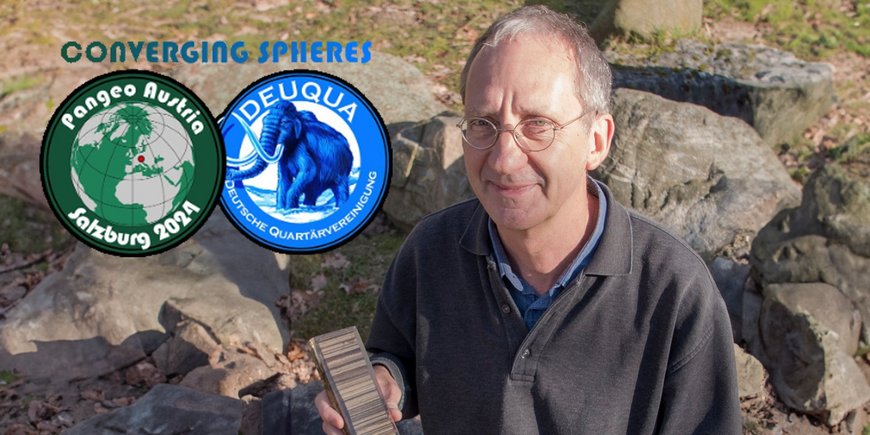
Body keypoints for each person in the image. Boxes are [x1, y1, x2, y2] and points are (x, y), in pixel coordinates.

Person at [315, 5, 740, 434]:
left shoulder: (675, 290)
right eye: (483, 123)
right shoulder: (431, 251)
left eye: (537, 125)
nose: (503, 159)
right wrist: (385, 381)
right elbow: (397, 356)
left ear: (596, 140)